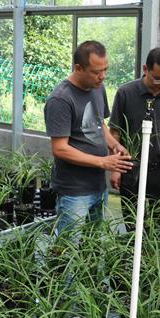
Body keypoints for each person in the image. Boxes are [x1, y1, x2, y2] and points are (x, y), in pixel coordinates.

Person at [44, 40, 133, 239]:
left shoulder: (98, 88)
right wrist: (102, 162)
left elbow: (99, 123)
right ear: (78, 68)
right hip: (74, 191)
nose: (102, 76)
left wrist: (114, 145)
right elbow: (60, 148)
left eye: (105, 69)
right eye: (96, 72)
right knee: (68, 247)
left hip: (98, 186)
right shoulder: (61, 99)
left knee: (91, 245)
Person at [109, 47, 160, 230]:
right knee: (132, 225)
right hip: (131, 169)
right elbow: (115, 132)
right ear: (146, 69)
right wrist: (115, 168)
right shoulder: (125, 93)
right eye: (158, 78)